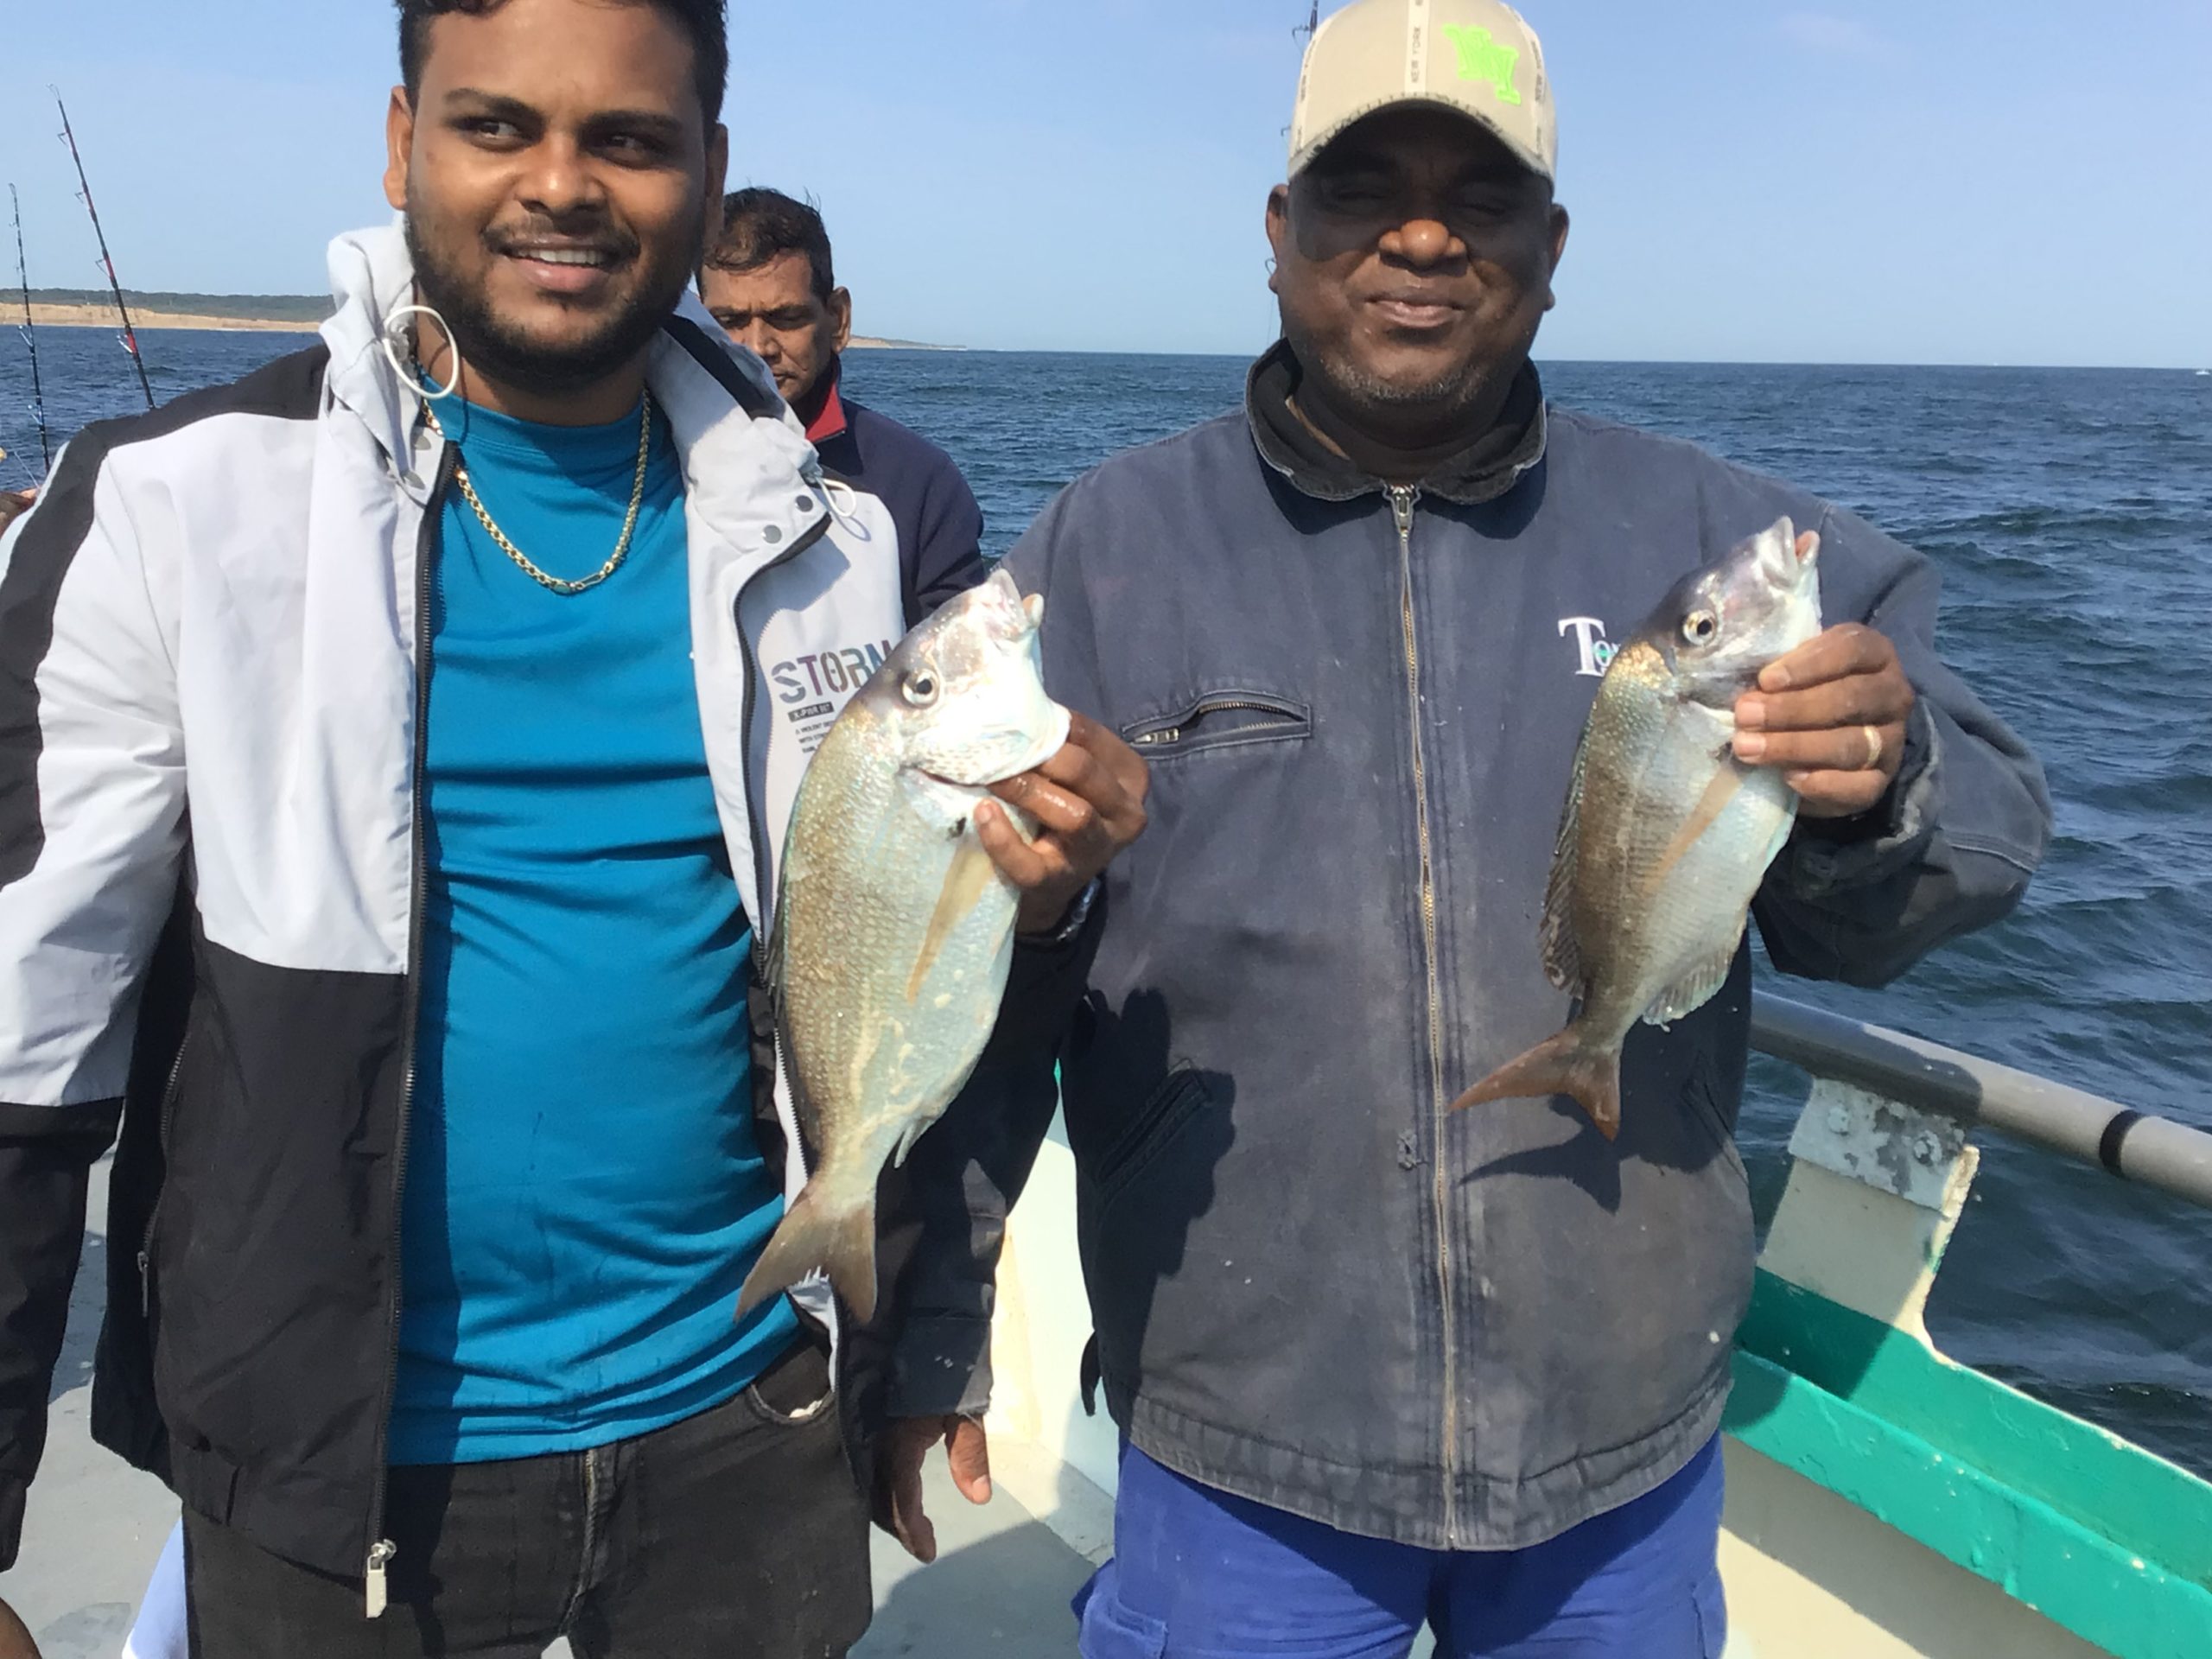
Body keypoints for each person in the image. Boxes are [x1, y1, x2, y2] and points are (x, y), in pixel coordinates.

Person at [893, 1, 2054, 1654]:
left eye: (1481, 195)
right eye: (1366, 187)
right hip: (1242, 1438)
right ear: (1281, 234)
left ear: (1552, 246)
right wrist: (941, 1319)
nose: (1423, 233)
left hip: (1619, 1446)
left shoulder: (1719, 544)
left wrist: (1892, 778)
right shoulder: (1105, 550)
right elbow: (978, 976)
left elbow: (1981, 847)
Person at [0, 0, 1141, 1655]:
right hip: (337, 1461)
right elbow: (23, 1044)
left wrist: (1048, 894)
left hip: (745, 1415)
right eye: (496, 126)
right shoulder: (178, 505)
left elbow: (912, 963)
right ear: (403, 141)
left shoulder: (843, 546)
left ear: (706, 170)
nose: (564, 184)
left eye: (628, 138)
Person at [700, 188, 985, 626]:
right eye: (729, 322)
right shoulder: (641, 468)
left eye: (786, 318)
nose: (758, 347)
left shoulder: (921, 485)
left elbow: (962, 669)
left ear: (837, 319)